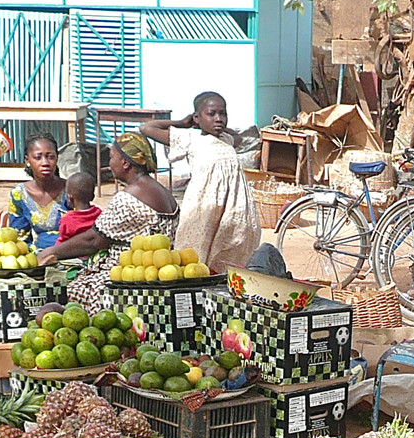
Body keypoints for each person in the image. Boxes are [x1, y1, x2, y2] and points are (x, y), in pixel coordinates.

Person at [43, 134, 178, 307]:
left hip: (127, 274)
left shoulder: (128, 197)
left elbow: (94, 240)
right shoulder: (164, 192)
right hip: (154, 268)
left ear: (125, 163)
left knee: (69, 293)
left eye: (112, 157)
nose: (110, 163)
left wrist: (50, 252)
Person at [140, 92, 259, 275]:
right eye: (211, 114)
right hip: (204, 208)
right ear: (196, 117)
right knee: (196, 253)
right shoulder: (190, 138)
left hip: (232, 210)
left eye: (223, 114)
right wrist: (182, 123)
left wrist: (218, 126)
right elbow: (147, 128)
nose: (218, 118)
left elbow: (239, 137)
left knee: (230, 253)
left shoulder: (226, 139)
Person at [0, 132, 68, 250]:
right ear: (27, 160)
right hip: (39, 255)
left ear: (57, 158)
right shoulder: (19, 194)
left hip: (73, 254)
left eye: (50, 157)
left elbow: (85, 231)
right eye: (38, 157)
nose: (45, 163)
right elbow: (21, 238)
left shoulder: (71, 189)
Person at [57, 171, 101, 243]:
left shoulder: (68, 220)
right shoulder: (99, 213)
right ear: (93, 196)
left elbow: (62, 241)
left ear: (69, 198)